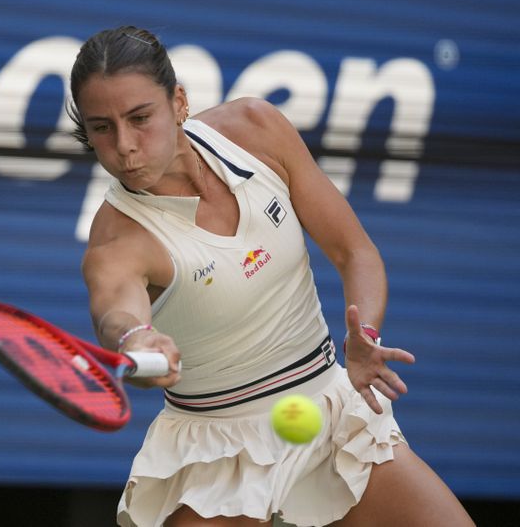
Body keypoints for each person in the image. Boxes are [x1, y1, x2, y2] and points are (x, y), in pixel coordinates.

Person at [68, 26, 474, 527]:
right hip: (215, 456)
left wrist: (364, 334)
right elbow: (117, 313)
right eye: (102, 127)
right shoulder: (116, 240)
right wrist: (138, 338)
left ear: (178, 102)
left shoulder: (255, 128)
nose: (125, 147)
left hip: (330, 413)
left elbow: (355, 252)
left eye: (139, 118)